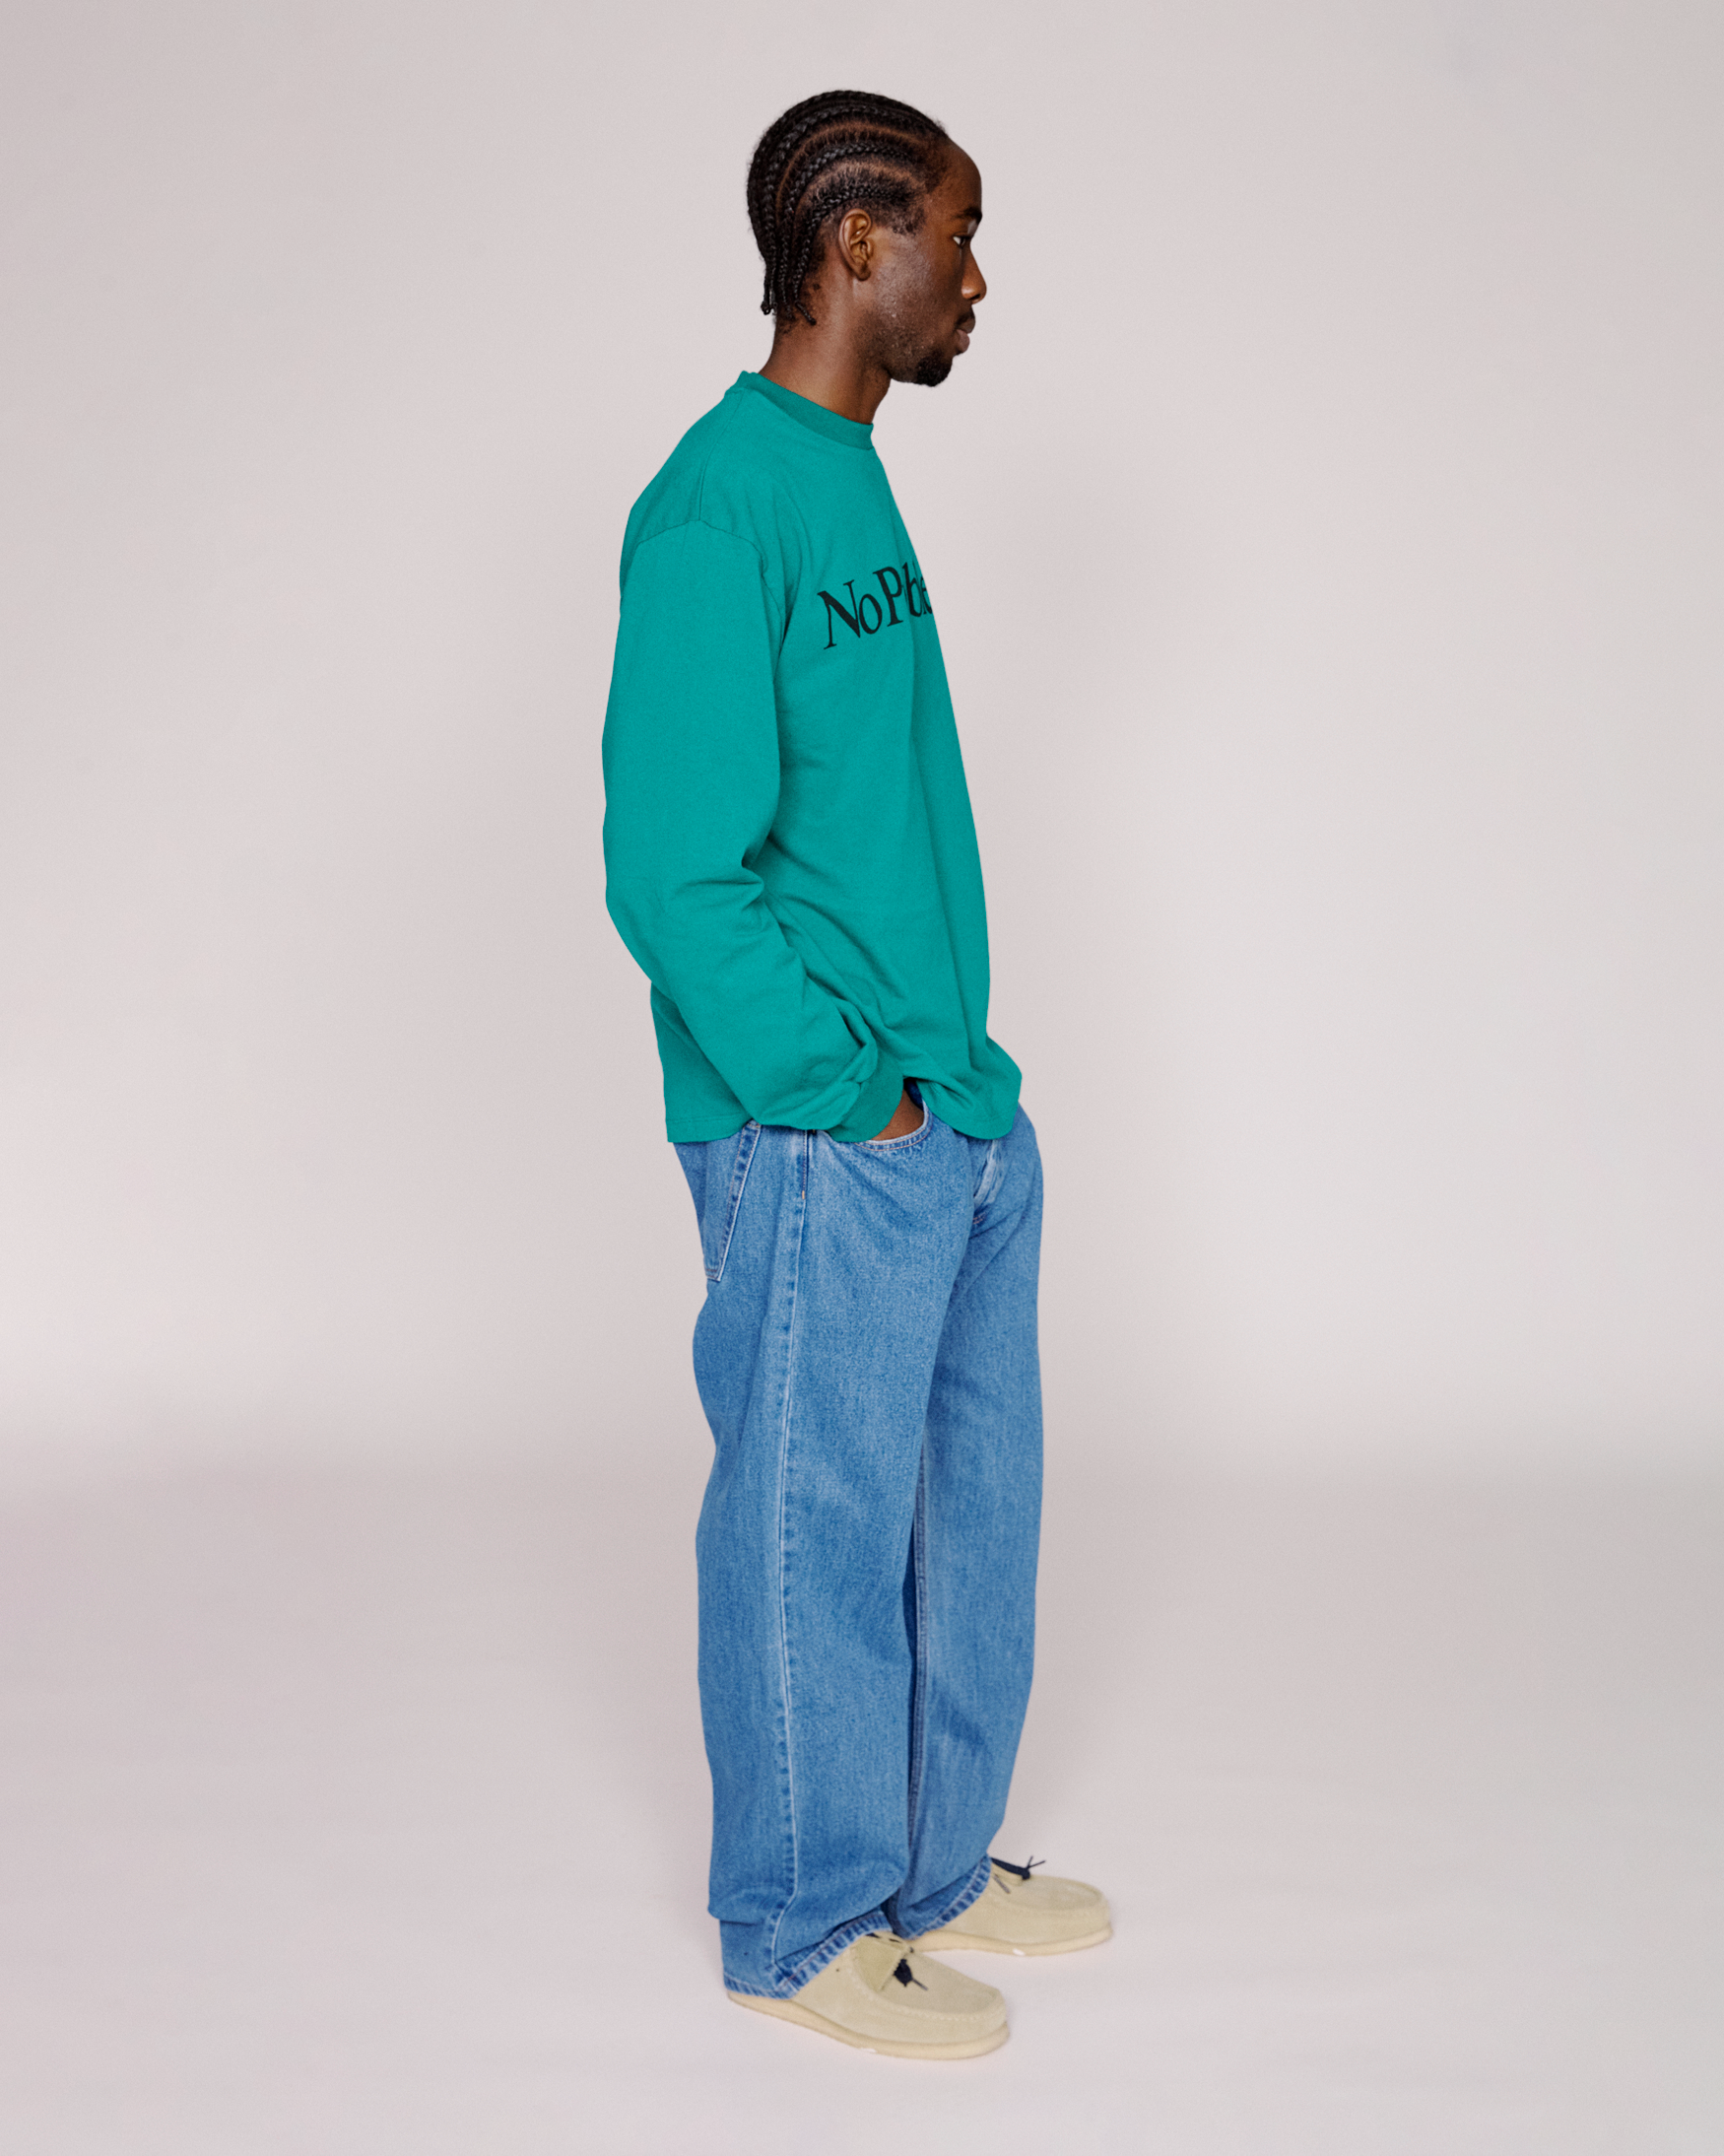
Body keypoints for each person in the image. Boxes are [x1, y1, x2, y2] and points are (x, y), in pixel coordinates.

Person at [600, 89, 1110, 2060]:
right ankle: (801, 1918)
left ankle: (930, 1866)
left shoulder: (844, 477)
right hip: (824, 1127)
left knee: (967, 1510)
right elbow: (673, 870)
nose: (976, 278)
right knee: (811, 1524)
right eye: (955, 237)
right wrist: (839, 1089)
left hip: (947, 1102)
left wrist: (947, 1090)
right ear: (854, 244)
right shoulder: (715, 505)